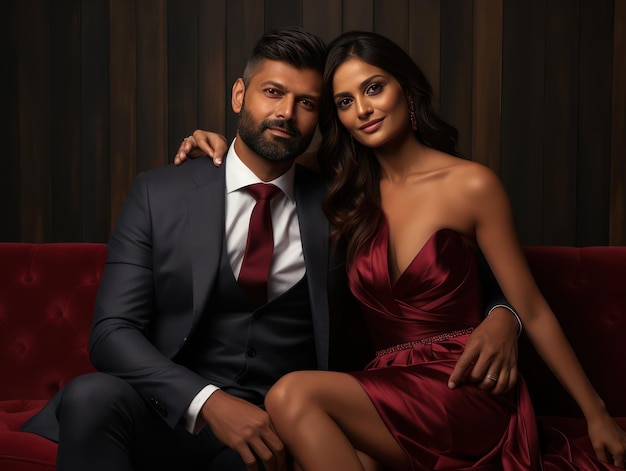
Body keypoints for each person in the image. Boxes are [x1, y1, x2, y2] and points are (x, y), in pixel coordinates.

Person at [22, 27, 521, 471]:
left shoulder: (343, 203)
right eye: (272, 93)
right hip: (167, 411)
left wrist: (504, 314)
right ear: (240, 94)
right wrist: (209, 402)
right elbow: (111, 332)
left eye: (307, 103)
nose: (286, 112)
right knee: (90, 395)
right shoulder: (161, 193)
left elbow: (461, 265)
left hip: (272, 430)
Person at [178, 30, 626, 470]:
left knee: (289, 395)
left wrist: (596, 413)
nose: (364, 110)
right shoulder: (340, 187)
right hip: (383, 386)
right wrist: (216, 143)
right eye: (345, 102)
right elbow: (262, 157)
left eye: (374, 88)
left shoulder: (471, 184)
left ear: (406, 90)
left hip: (463, 380)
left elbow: (533, 306)